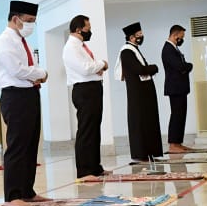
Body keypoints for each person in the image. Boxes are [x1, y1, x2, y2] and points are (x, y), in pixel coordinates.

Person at [0, 0, 49, 202]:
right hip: (15, 96)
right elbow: (17, 70)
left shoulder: (22, 41)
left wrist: (36, 73)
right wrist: (41, 73)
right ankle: (13, 194)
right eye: (29, 20)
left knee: (30, 145)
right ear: (16, 19)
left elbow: (30, 68)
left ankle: (27, 191)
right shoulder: (4, 41)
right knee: (17, 146)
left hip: (30, 94)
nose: (31, 25)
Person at [62, 14, 108, 178]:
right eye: (88, 28)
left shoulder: (81, 46)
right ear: (78, 29)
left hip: (93, 88)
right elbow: (85, 68)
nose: (90, 31)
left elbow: (89, 67)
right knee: (86, 130)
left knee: (94, 129)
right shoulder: (71, 47)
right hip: (84, 90)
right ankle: (84, 170)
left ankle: (95, 167)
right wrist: (102, 64)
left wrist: (96, 67)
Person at [118, 22, 163, 161]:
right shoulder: (127, 51)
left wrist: (150, 69)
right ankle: (141, 153)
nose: (141, 37)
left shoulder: (134, 49)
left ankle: (150, 152)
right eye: (139, 35)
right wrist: (154, 68)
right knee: (139, 122)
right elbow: (139, 69)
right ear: (131, 37)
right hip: (137, 94)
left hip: (145, 92)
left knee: (149, 121)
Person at [161, 24, 194, 154]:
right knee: (176, 115)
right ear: (175, 35)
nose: (182, 39)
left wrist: (186, 66)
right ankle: (173, 144)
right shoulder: (168, 49)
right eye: (181, 37)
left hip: (180, 88)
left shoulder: (174, 48)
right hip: (175, 88)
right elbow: (180, 66)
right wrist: (189, 66)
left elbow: (182, 67)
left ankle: (178, 143)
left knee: (181, 115)